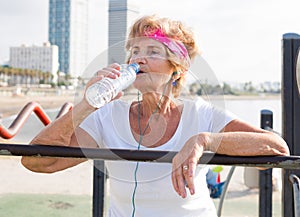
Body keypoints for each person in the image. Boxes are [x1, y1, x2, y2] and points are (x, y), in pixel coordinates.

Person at [21, 14, 290, 217]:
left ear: (176, 70)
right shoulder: (108, 116)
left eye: (153, 52)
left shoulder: (200, 113)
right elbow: (38, 162)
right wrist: (86, 104)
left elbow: (277, 148)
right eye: (135, 51)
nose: (139, 59)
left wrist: (205, 141)